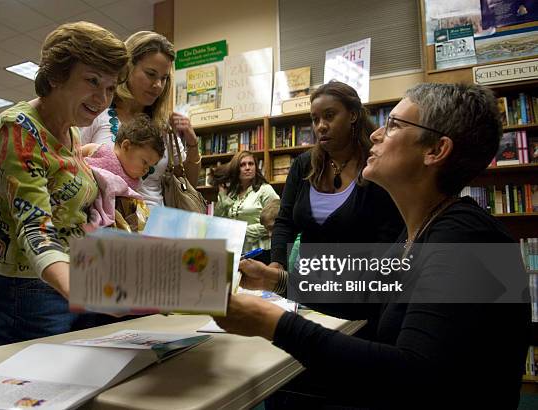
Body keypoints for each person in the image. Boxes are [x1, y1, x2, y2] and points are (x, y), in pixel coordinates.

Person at [215, 83, 530, 409]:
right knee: (281, 388)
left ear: (435, 150)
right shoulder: (422, 230)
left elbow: (412, 375)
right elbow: (362, 283)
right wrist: (273, 279)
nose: (376, 134)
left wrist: (273, 323)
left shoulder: (468, 239)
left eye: (394, 125)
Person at [0, 21, 129, 347]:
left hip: (73, 278)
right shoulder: (17, 129)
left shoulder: (71, 131)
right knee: (35, 391)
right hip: (30, 289)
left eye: (111, 87)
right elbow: (36, 228)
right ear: (57, 76)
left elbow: (71, 214)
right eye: (92, 81)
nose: (102, 98)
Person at [269, 81, 403, 273]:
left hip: (359, 288)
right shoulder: (303, 165)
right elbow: (285, 222)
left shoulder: (375, 166)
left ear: (353, 115)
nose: (321, 126)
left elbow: (390, 236)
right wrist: (277, 264)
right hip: (304, 285)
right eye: (315, 119)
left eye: (329, 116)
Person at [81, 31, 201, 207]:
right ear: (128, 68)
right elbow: (73, 163)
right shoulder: (97, 113)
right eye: (151, 74)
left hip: (155, 226)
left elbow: (189, 182)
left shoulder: (164, 127)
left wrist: (192, 143)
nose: (158, 85)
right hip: (105, 225)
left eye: (164, 78)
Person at [82, 115, 165, 232]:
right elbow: (76, 154)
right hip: (83, 198)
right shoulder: (102, 151)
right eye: (144, 162)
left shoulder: (134, 183)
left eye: (150, 167)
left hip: (109, 220)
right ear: (126, 146)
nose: (146, 170)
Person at [214, 151, 279, 253]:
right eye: (242, 165)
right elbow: (218, 222)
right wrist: (222, 196)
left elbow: (276, 222)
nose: (248, 167)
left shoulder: (265, 190)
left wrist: (241, 231)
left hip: (261, 250)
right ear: (236, 169)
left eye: (251, 164)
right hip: (235, 249)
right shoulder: (231, 194)